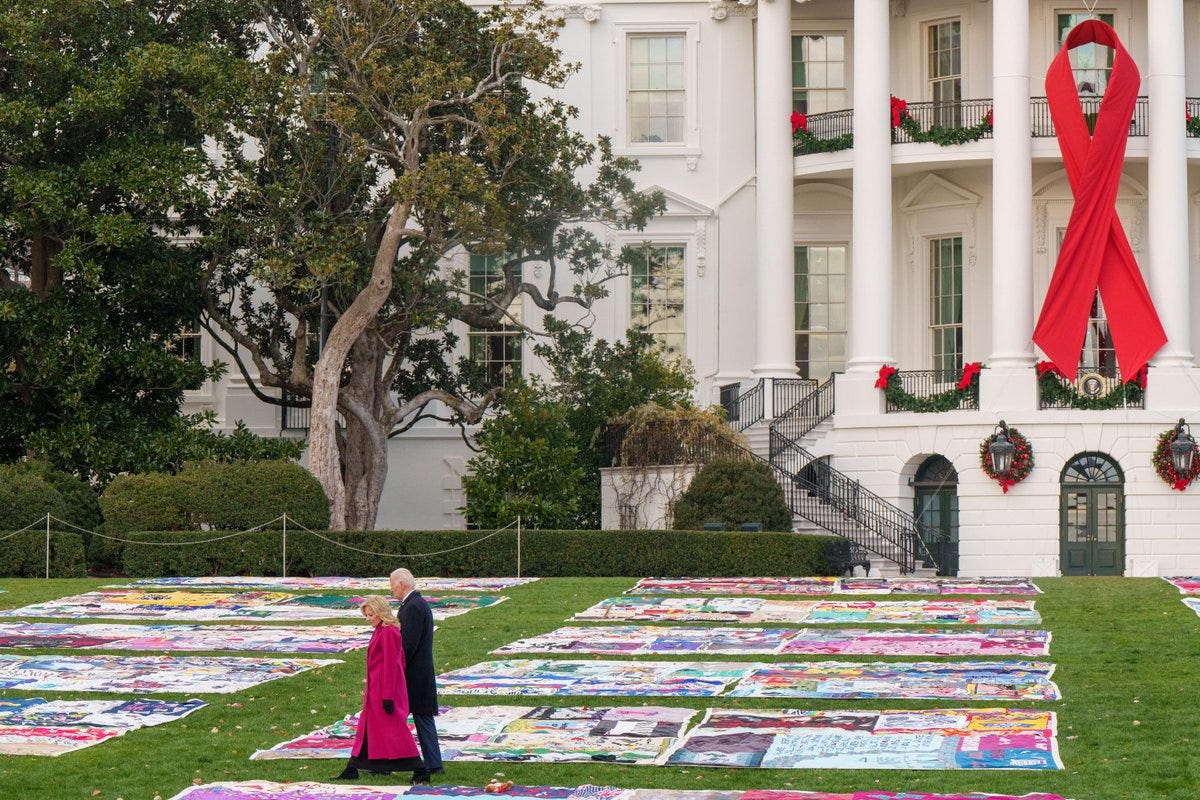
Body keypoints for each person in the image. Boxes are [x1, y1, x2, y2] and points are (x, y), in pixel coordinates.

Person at [334, 596, 424, 781]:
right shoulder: (380, 630)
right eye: (366, 615)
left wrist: (388, 696)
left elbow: (392, 665)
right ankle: (354, 768)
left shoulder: (389, 632)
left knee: (395, 729)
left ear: (380, 612)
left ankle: (419, 768)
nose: (368, 618)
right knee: (367, 729)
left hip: (385, 690)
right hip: (376, 690)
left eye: (370, 614)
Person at [390, 567, 443, 784]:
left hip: (413, 674)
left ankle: (393, 760)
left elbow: (407, 645)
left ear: (402, 584)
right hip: (421, 672)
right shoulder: (417, 603)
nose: (391, 589)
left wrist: (395, 667)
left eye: (392, 584)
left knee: (398, 717)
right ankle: (432, 762)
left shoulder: (411, 607)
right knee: (423, 717)